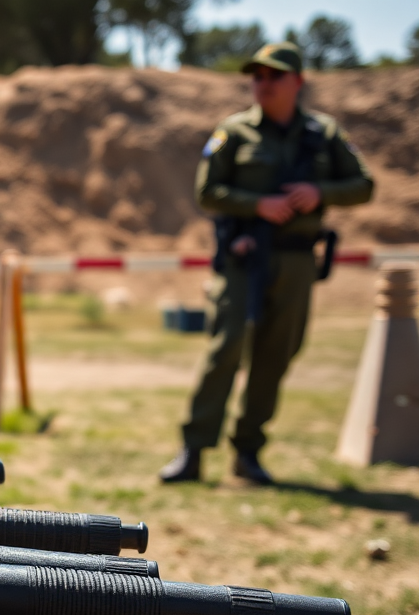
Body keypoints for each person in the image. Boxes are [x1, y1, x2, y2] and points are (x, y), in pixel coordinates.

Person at [160, 42, 373, 485]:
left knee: (276, 356)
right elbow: (207, 193)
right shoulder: (234, 132)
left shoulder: (323, 134)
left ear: (298, 81)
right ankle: (194, 450)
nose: (263, 83)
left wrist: (321, 193)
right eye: (257, 76)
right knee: (227, 348)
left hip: (297, 261)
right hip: (244, 258)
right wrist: (259, 204)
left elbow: (364, 185)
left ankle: (248, 452)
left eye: (274, 75)